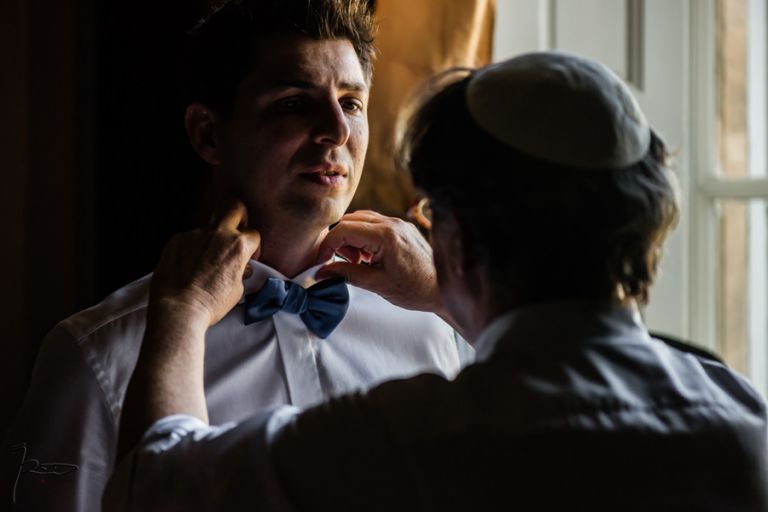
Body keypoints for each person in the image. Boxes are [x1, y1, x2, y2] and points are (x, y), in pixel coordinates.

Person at [105, 51, 767, 511]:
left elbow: (153, 487)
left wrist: (184, 311)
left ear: (455, 236)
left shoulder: (411, 438)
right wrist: (443, 289)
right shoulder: (741, 417)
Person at [1, 1, 469, 510]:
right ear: (207, 133)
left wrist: (447, 297)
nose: (337, 131)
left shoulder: (439, 321)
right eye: (293, 103)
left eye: (352, 103)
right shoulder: (95, 356)